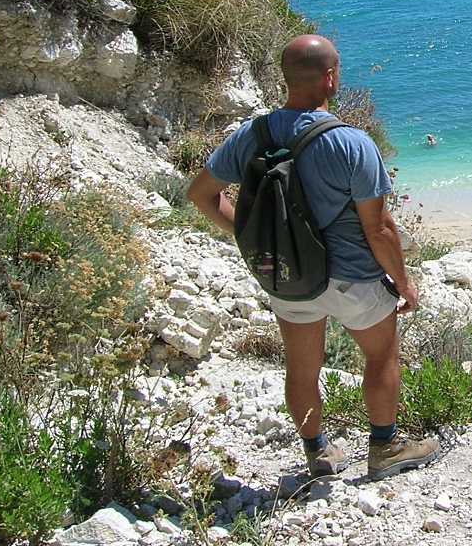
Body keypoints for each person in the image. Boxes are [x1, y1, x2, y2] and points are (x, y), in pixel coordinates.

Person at [186, 34, 440, 481]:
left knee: (302, 367)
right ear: (329, 78)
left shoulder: (252, 134)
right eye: (337, 69)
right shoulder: (351, 143)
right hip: (354, 279)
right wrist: (403, 281)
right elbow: (379, 229)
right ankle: (384, 446)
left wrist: (249, 237)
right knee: (381, 356)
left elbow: (201, 194)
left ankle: (318, 454)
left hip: (289, 275)